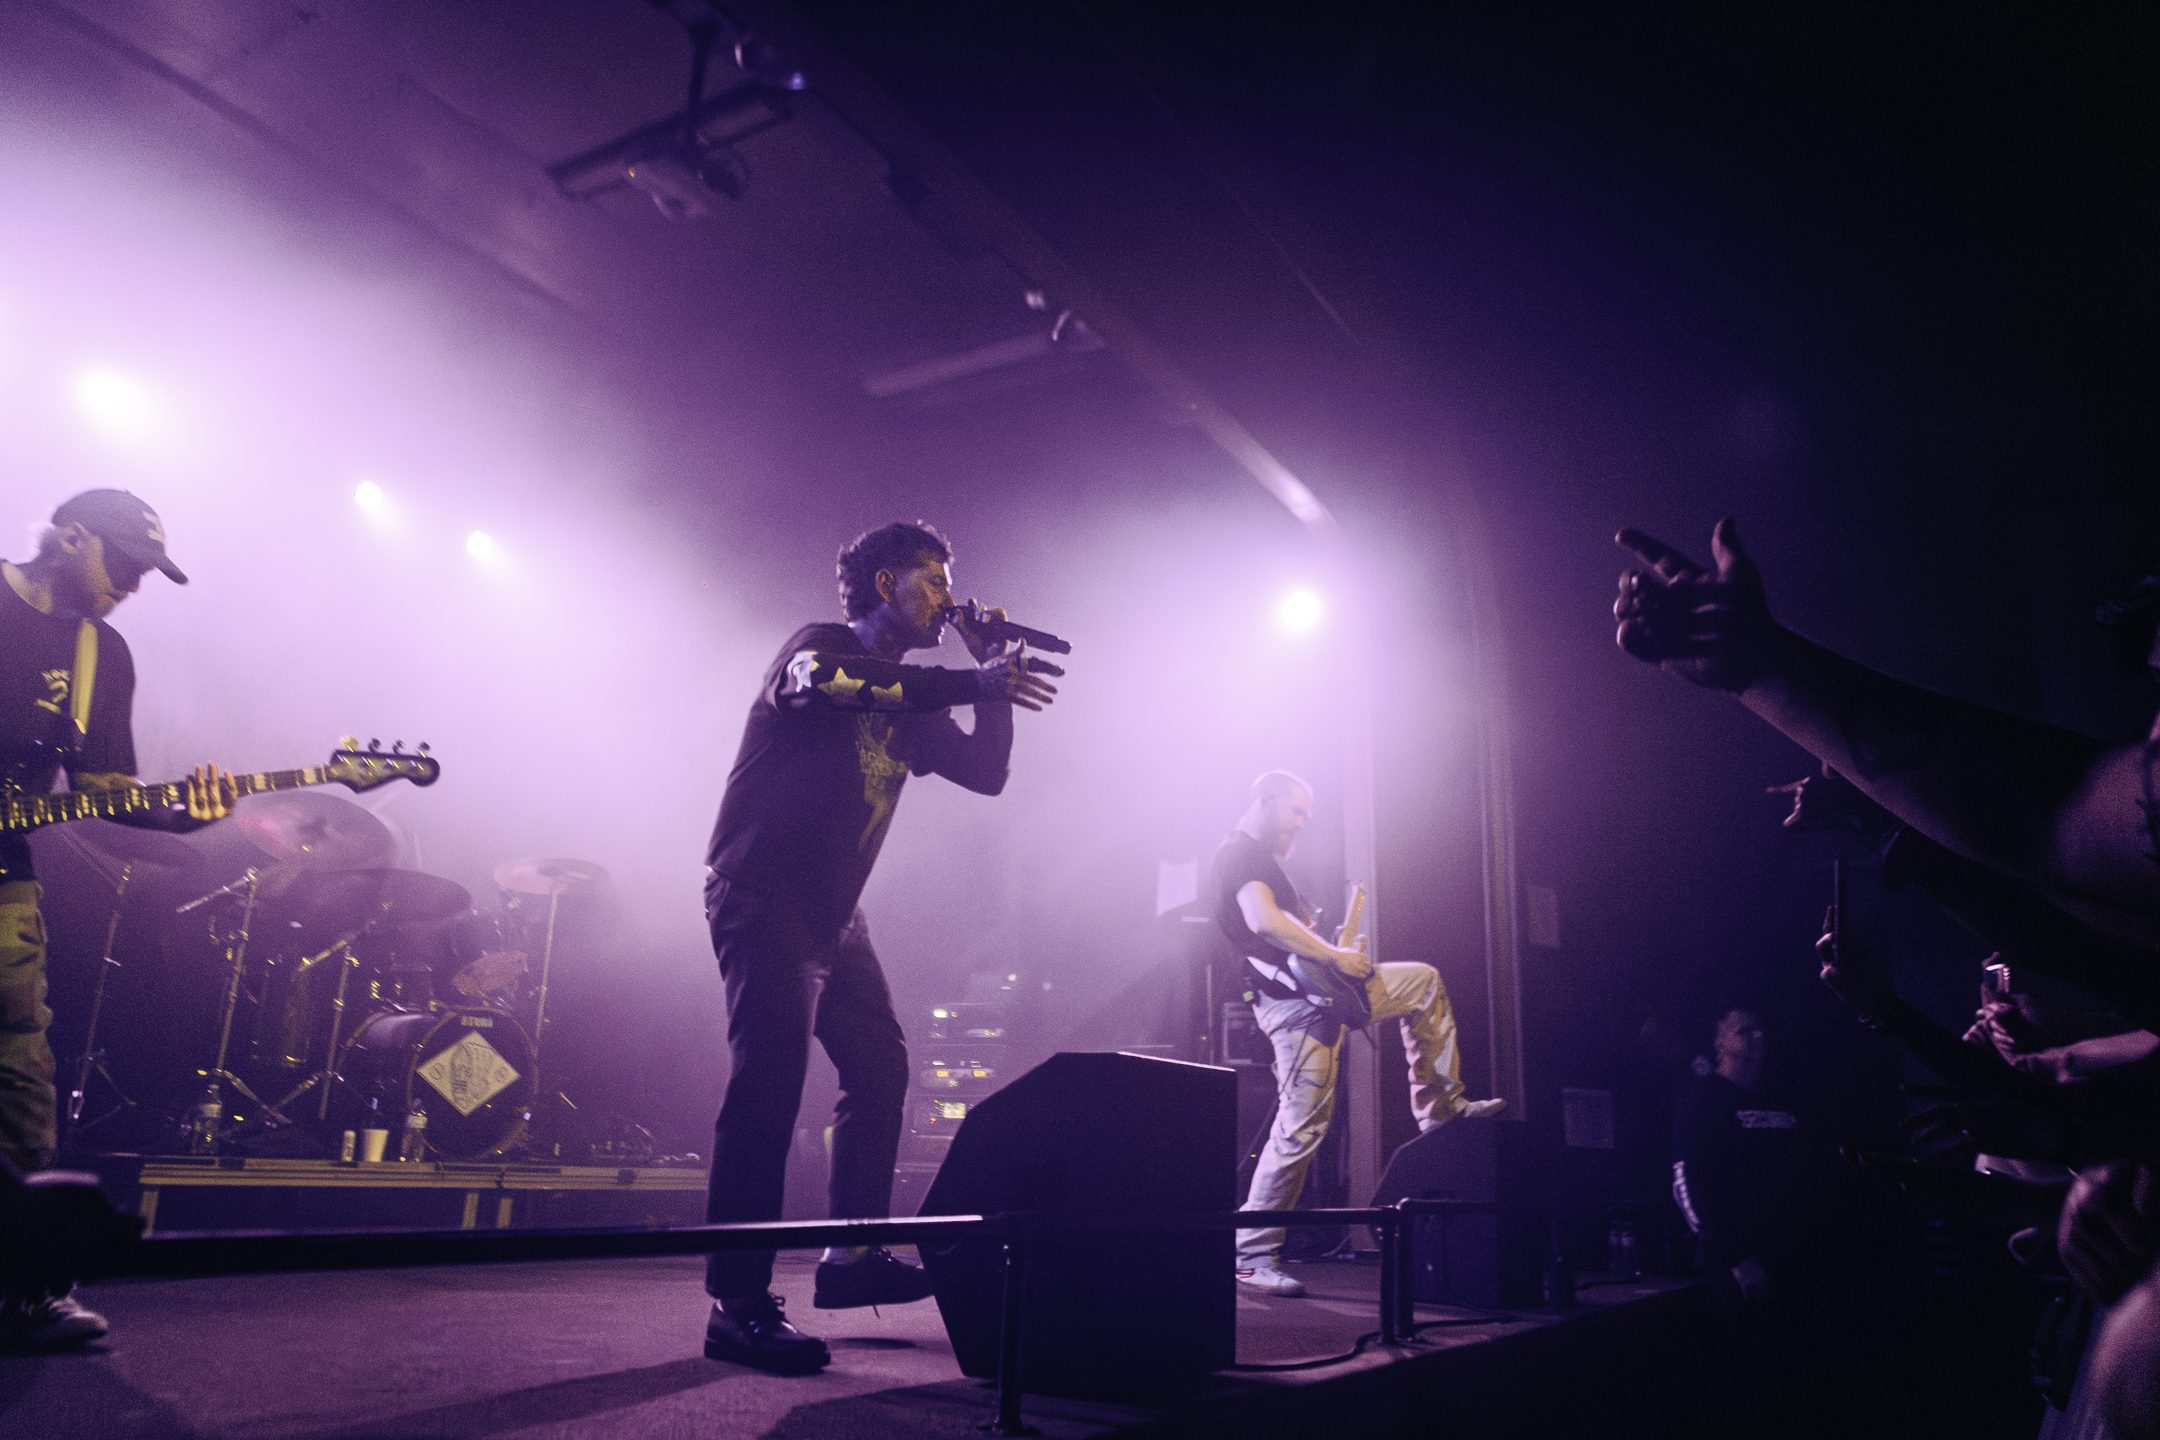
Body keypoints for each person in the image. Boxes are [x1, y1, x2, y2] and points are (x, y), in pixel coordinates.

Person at [698, 520, 1058, 1374]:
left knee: (881, 1066)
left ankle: (850, 1255)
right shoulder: (819, 647)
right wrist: (968, 675)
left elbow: (987, 774)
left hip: (833, 914)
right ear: (887, 581)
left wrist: (992, 685)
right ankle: (735, 1303)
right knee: (768, 1088)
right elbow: (824, 684)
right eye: (933, 579)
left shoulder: (913, 695)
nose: (944, 595)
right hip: (761, 894)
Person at [2, 489, 236, 1350]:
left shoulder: (105, 653)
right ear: (70, 537)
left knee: (19, 1080)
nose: (132, 587)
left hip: (4, 889)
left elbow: (104, 792)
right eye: (126, 566)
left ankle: (28, 1292)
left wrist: (185, 812)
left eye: (146, 575)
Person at [1215, 770, 1503, 1297]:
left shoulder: (1264, 862)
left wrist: (1340, 954)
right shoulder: (1240, 856)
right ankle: (1250, 1256)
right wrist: (1337, 955)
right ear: (1264, 798)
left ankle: (1440, 1106)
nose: (1300, 822)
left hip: (1318, 997)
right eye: (1295, 810)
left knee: (1423, 982)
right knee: (1301, 1128)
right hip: (1292, 1010)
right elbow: (1262, 922)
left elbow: (1295, 942)